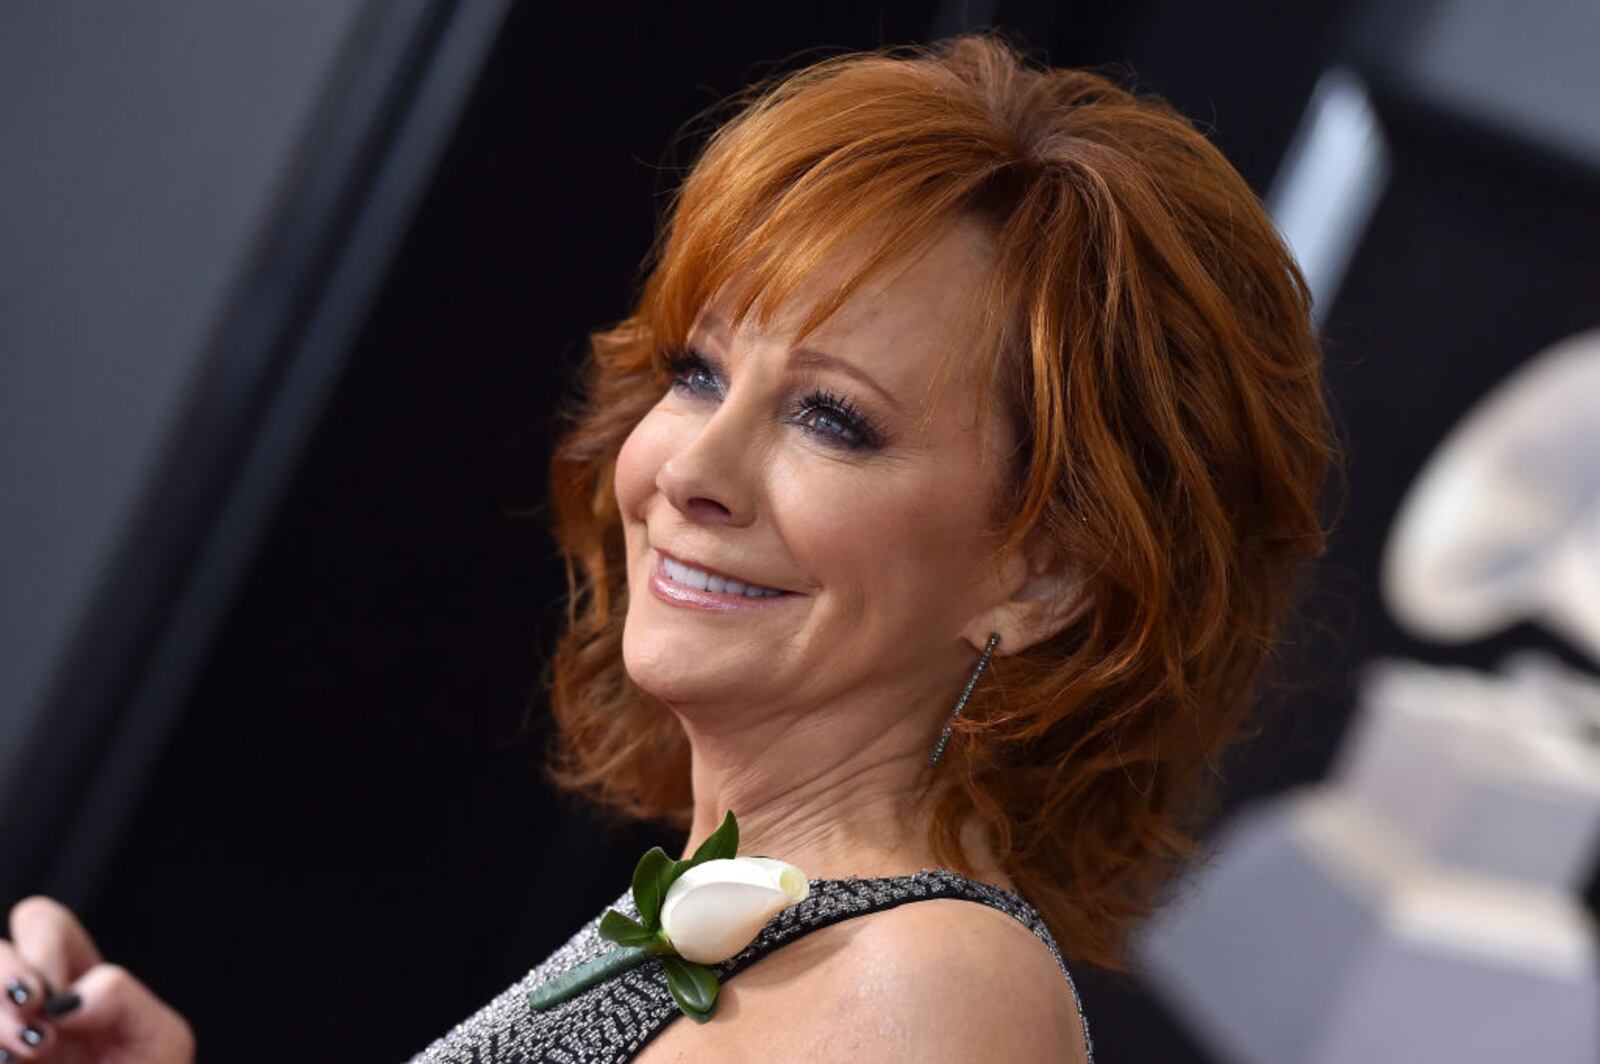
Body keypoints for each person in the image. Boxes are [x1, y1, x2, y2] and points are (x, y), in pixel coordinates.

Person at [0, 31, 1338, 1063]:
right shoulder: (745, 898)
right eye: (700, 375)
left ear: (1043, 572)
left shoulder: (918, 988)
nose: (689, 468)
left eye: (833, 418)